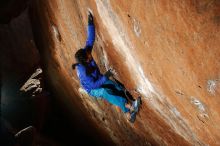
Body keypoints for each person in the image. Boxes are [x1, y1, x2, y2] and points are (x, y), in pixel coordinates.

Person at [72, 11, 140, 122]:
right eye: (89, 56)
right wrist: (106, 76)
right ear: (84, 61)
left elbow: (90, 39)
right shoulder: (83, 73)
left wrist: (90, 23)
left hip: (98, 79)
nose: (90, 55)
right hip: (92, 89)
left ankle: (128, 115)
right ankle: (131, 106)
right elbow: (93, 85)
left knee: (115, 87)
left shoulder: (85, 53)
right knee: (105, 92)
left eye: (88, 53)